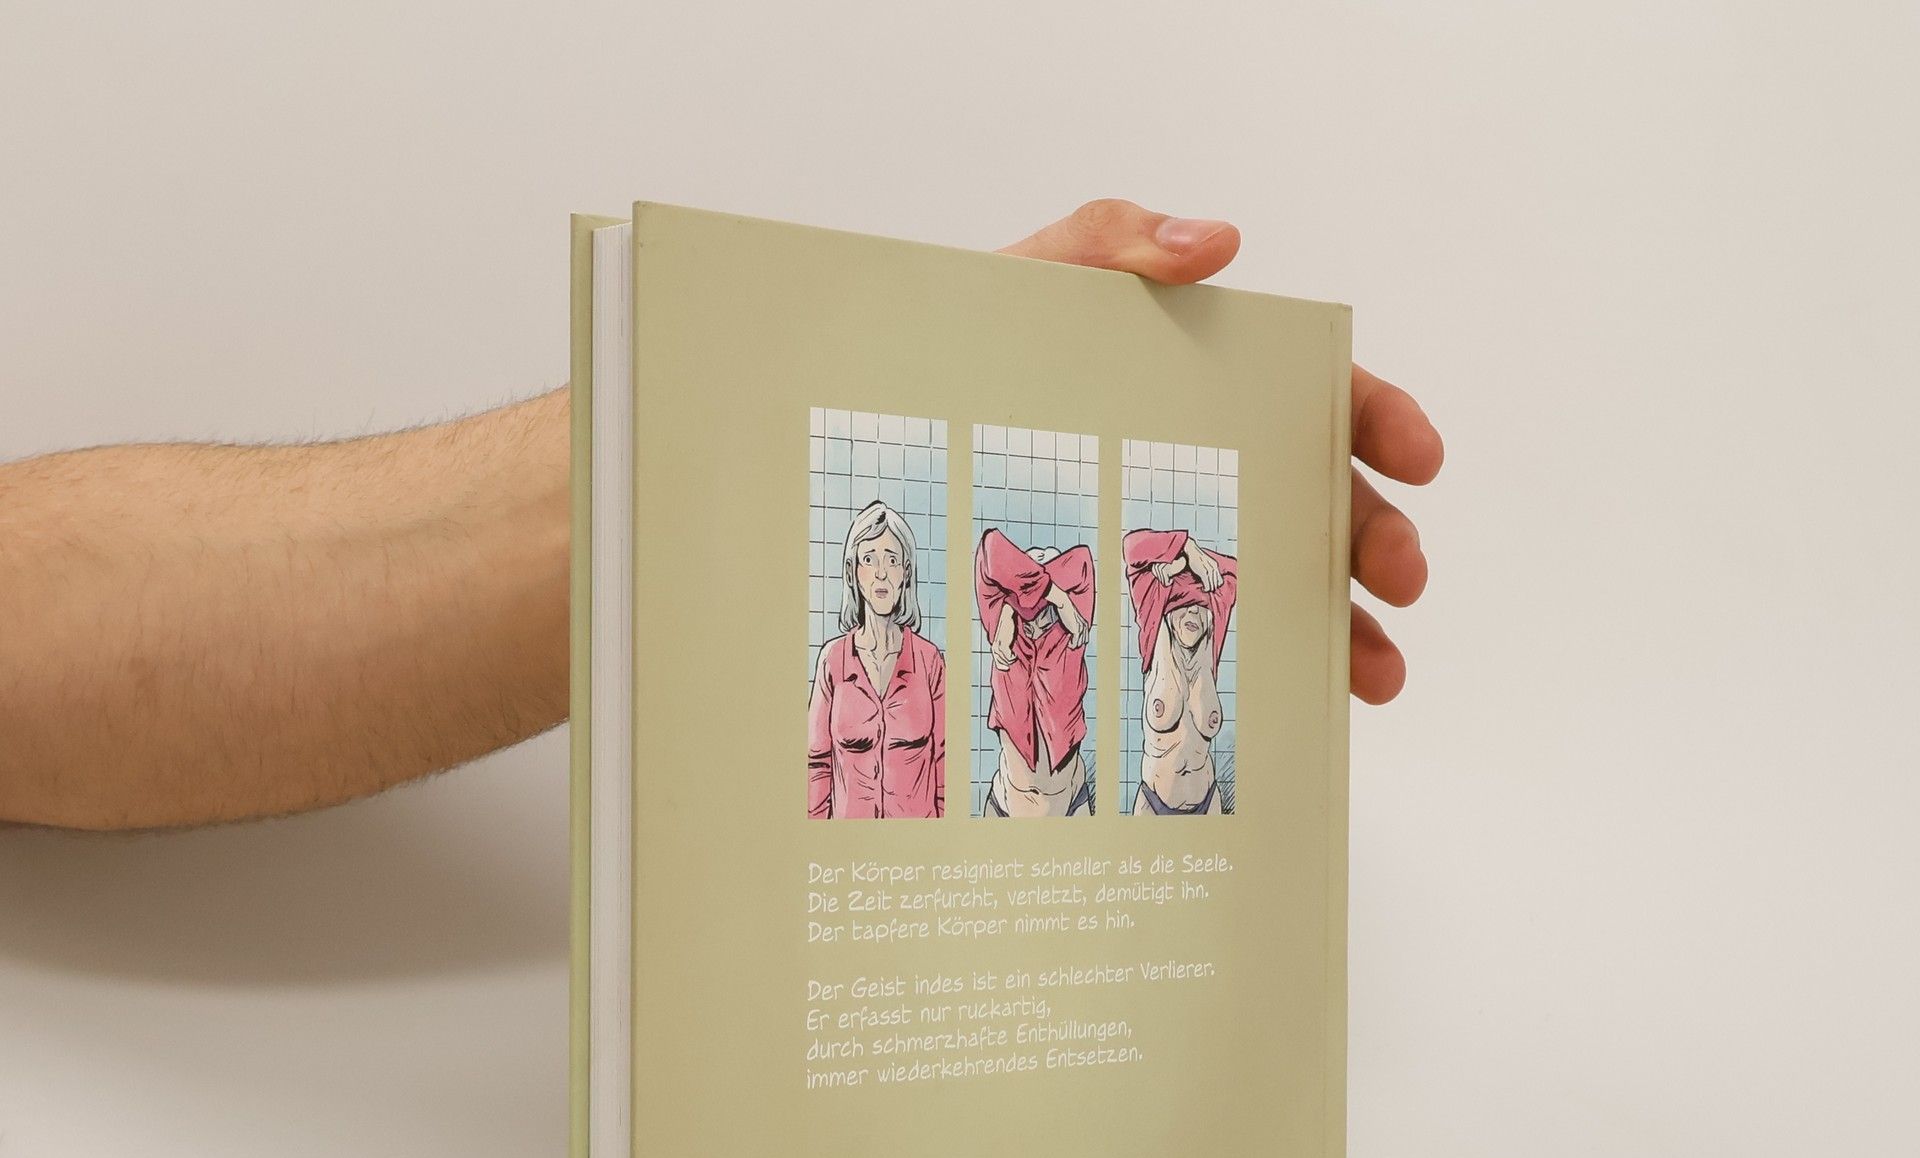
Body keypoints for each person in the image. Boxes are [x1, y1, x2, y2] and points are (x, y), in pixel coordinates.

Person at [0, 200, 1441, 832]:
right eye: (865, 550)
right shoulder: (862, 667)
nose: (880, 568)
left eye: (889, 550)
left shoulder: (952, 663)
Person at [807, 500, 945, 819]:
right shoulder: (833, 660)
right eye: (869, 559)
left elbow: (944, 761)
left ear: (906, 572)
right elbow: (816, 764)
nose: (881, 573)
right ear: (853, 572)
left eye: (892, 560)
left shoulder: (929, 661)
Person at [974, 527, 1095, 817]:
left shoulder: (1073, 630)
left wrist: (1056, 600)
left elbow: (1081, 562)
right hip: (1005, 810)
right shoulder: (1003, 634)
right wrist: (1011, 607)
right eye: (1026, 576)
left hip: (1071, 807)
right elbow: (990, 547)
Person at [1123, 527, 1237, 815]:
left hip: (1208, 801)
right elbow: (1132, 547)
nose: (1193, 613)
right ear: (1167, 611)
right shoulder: (1154, 637)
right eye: (1184, 605)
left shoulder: (1210, 650)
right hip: (1154, 803)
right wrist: (1188, 549)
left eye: (1200, 607)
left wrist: (1186, 561)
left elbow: (1235, 570)